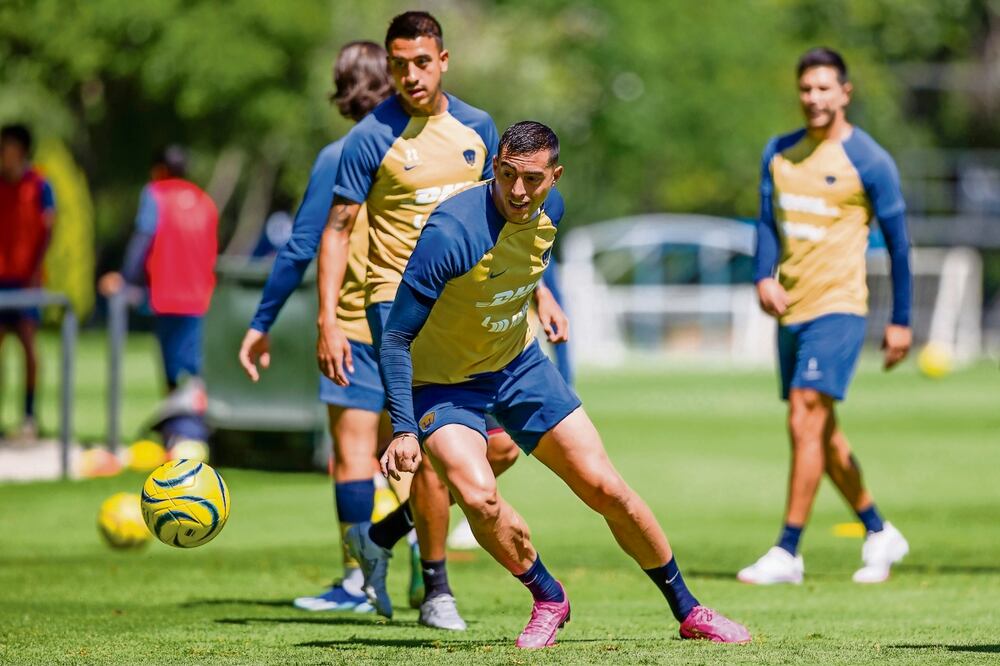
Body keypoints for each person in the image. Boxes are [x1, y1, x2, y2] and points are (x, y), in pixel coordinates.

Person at [374, 121, 751, 648]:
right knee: (478, 496)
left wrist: (541, 296)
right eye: (506, 176)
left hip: (517, 364)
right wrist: (404, 429)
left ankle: (689, 611)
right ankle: (549, 597)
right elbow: (394, 339)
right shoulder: (450, 233)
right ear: (496, 170)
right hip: (444, 384)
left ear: (556, 175)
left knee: (606, 488)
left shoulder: (553, 209)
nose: (518, 191)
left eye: (531, 179)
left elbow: (523, 259)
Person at [318, 11, 566, 631]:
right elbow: (337, 230)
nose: (410, 75)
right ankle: (435, 589)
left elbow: (511, 221)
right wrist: (327, 317)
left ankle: (385, 536)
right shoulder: (369, 138)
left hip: (468, 306)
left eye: (421, 61)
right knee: (435, 451)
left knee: (499, 446)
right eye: (397, 64)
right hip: (394, 307)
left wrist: (543, 294)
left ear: (443, 59)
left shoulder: (479, 127)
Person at [237, 40, 425, 613]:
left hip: (354, 324)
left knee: (352, 455)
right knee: (408, 449)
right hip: (418, 324)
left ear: (344, 90)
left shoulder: (340, 153)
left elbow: (299, 247)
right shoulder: (425, 145)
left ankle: (358, 581)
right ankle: (421, 553)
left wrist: (262, 321)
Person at [739, 47, 912, 585]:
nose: (813, 98)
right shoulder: (781, 152)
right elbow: (767, 222)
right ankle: (879, 529)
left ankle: (788, 550)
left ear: (845, 92)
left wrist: (901, 320)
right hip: (791, 307)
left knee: (803, 415)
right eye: (806, 89)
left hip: (839, 307)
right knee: (822, 432)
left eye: (823, 88)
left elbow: (901, 247)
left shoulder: (871, 161)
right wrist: (763, 275)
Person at [99, 145, 218, 443]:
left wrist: (125, 279)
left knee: (172, 372)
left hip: (167, 296)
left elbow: (143, 239)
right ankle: (183, 433)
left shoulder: (155, 194)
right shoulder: (205, 201)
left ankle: (185, 435)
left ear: (159, 170)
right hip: (201, 298)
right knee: (192, 368)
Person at [0, 124, 55, 440]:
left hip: (25, 281)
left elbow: (48, 228)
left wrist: (35, 271)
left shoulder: (39, 185)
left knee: (28, 346)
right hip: (1, 278)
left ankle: (29, 416)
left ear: (20, 150)